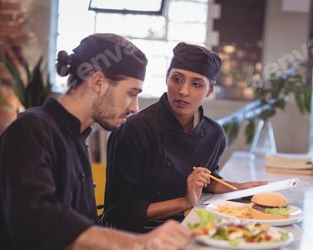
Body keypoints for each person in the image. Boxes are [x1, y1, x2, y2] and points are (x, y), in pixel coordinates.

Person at [0, 33, 194, 250]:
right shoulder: (31, 130)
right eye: (131, 93)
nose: (134, 108)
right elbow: (39, 223)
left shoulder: (76, 137)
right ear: (98, 81)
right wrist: (140, 244)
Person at [104, 41, 266, 235]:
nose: (183, 91)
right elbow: (119, 213)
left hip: (181, 229)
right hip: (129, 239)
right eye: (177, 79)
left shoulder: (214, 134)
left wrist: (238, 188)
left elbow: (205, 179)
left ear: (210, 90)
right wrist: (185, 202)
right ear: (166, 79)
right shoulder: (133, 130)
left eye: (196, 84)